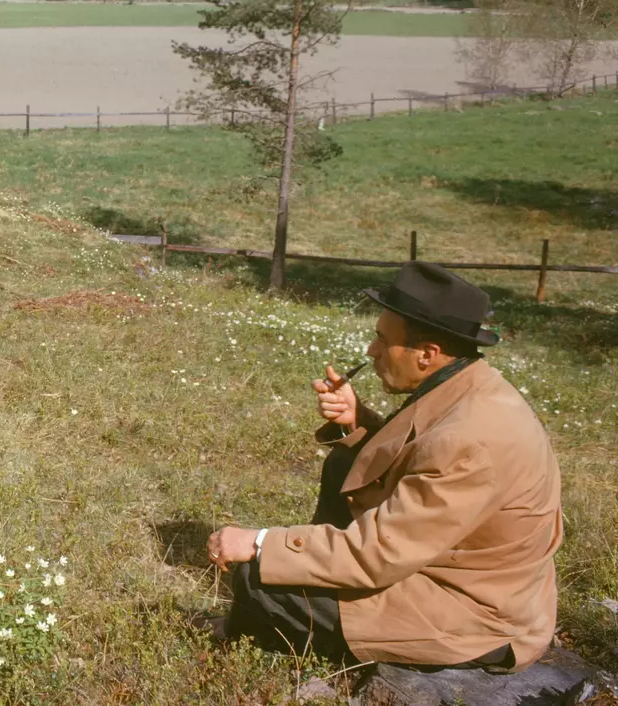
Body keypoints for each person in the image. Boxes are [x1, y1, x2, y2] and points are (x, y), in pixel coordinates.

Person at [206, 262, 563, 671]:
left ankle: (265, 647)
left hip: (475, 611)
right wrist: (357, 422)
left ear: (427, 353)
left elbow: (377, 553)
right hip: (453, 569)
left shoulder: (471, 439)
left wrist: (258, 542)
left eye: (382, 340)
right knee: (346, 463)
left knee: (260, 580)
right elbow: (420, 456)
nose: (371, 351)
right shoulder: (468, 385)